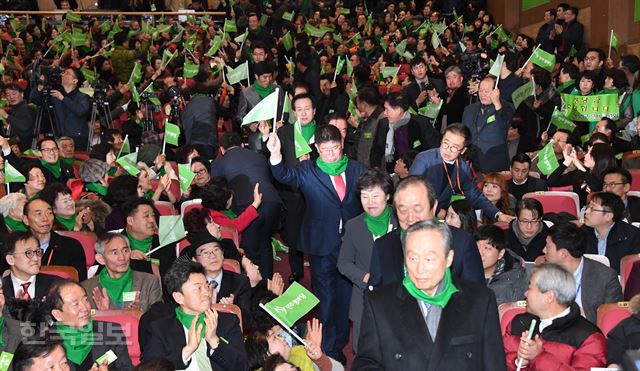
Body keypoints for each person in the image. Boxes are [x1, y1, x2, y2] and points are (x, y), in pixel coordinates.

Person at [267, 124, 367, 363]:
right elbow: (283, 175)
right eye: (325, 150)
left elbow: (374, 191)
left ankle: (340, 341)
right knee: (327, 296)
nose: (330, 154)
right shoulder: (308, 170)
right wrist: (275, 154)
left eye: (334, 148)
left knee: (344, 296)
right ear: (317, 149)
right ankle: (328, 348)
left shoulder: (356, 169)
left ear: (342, 145)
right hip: (322, 245)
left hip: (350, 245)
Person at [353, 220, 506, 370]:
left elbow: (494, 363)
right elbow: (366, 363)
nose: (420, 269)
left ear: (449, 258)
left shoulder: (480, 301)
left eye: (429, 259)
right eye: (412, 258)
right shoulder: (380, 303)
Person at [368, 176, 484, 288]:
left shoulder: (461, 243)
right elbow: (373, 297)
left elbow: (477, 296)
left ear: (434, 207)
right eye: (403, 210)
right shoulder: (383, 246)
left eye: (417, 209)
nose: (410, 217)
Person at [141, 259, 249, 370]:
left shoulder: (228, 321)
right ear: (179, 297)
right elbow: (150, 368)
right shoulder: (160, 329)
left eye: (207, 285)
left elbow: (243, 367)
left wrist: (214, 341)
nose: (207, 293)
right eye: (198, 288)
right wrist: (187, 351)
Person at [503, 263, 607, 370]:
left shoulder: (589, 338)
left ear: (549, 297)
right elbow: (495, 362)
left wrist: (539, 357)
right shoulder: (519, 323)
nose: (525, 294)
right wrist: (518, 362)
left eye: (530, 288)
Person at [337, 168, 396, 352]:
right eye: (364, 197)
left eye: (375, 196)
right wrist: (366, 278)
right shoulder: (354, 225)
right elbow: (344, 263)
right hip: (364, 300)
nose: (370, 203)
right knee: (364, 352)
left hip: (398, 298)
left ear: (387, 196)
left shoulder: (402, 219)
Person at [212, 132, 282, 279]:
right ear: (242, 145)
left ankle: (256, 290)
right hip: (273, 201)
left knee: (251, 251)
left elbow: (217, 189)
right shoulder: (259, 156)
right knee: (265, 244)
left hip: (247, 205)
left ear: (222, 149)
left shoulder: (218, 163)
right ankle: (268, 288)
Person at [409, 124, 513, 223]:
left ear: (463, 150)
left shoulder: (463, 168)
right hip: (414, 213)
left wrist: (498, 214)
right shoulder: (424, 159)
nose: (448, 150)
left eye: (454, 147)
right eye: (445, 143)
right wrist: (436, 209)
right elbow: (411, 189)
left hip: (439, 220)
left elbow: (475, 195)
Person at [44, 280, 133, 371]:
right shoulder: (44, 342)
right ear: (58, 315)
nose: (85, 308)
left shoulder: (111, 332)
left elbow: (127, 368)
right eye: (76, 304)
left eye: (85, 300)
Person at [543, 222, 622, 323]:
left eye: (548, 247)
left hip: (589, 334)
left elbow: (612, 321)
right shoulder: (543, 274)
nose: (544, 250)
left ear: (563, 253)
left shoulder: (605, 277)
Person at [182, 231, 251, 330]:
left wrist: (233, 309)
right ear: (195, 260)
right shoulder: (189, 285)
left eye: (216, 250)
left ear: (223, 254)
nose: (212, 256)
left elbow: (248, 323)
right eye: (205, 253)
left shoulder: (240, 282)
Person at [81, 232, 162, 312]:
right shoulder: (86, 288)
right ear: (101, 259)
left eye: (125, 251)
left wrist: (139, 315)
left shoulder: (148, 282)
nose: (122, 258)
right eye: (114, 253)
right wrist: (106, 314)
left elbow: (159, 319)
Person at [371, 93, 441, 172]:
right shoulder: (383, 124)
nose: (385, 113)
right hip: (393, 173)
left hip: (418, 171)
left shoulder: (420, 123)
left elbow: (435, 147)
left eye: (387, 109)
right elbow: (376, 150)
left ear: (398, 110)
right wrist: (376, 170)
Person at [21, 198, 87, 281]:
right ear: (26, 220)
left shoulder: (71, 246)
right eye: (38, 214)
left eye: (49, 213)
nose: (45, 219)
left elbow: (81, 281)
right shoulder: (17, 246)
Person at [462, 75, 515, 173]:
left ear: (496, 91)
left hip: (494, 160)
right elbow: (464, 132)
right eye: (480, 91)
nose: (483, 94)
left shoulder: (506, 107)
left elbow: (505, 122)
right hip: (472, 160)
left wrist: (497, 103)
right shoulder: (469, 109)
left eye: (486, 91)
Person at [245, 319, 343, 371]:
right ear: (266, 355)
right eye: (274, 338)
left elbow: (339, 369)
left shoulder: (301, 351)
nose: (282, 337)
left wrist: (319, 359)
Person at [29, 68, 91, 149]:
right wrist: (40, 86)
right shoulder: (55, 94)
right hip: (57, 137)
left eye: (67, 73)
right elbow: (34, 100)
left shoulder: (83, 96)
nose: (62, 74)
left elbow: (81, 111)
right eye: (63, 72)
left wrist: (63, 98)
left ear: (75, 81)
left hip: (77, 139)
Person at [582, 192, 640, 272]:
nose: (586, 212)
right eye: (587, 207)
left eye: (592, 208)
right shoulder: (581, 233)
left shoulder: (633, 236)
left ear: (608, 216)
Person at [122, 197, 178, 277]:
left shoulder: (163, 243)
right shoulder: (115, 245)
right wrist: (126, 258)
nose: (152, 220)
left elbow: (172, 277)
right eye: (146, 216)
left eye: (153, 215)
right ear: (130, 221)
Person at [3, 230, 62, 302]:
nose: (36, 258)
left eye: (38, 251)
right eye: (29, 253)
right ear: (10, 259)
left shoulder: (57, 286)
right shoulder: (2, 289)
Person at [475, 225, 527, 305]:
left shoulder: (515, 279)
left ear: (501, 253)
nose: (480, 253)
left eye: (487, 248)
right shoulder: (461, 272)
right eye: (476, 246)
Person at [180, 84, 218, 161]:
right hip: (208, 142)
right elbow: (227, 113)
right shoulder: (210, 101)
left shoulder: (185, 109)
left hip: (192, 145)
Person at [607, 294, 640, 367]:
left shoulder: (623, 327)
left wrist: (612, 364)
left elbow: (612, 362)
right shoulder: (624, 327)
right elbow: (613, 363)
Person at [0, 83, 35, 152]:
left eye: (14, 94)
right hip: (14, 147)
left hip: (26, 150)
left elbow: (24, 126)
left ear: (22, 94)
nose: (11, 97)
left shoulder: (29, 108)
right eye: (8, 95)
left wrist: (6, 116)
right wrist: (8, 126)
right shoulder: (13, 110)